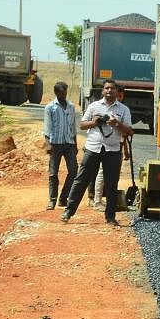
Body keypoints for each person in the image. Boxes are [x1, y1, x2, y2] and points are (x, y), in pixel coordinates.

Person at [61, 80, 133, 226]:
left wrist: (117, 124)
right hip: (93, 148)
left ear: (116, 92)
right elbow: (81, 125)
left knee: (111, 184)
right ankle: (68, 211)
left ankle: (110, 217)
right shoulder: (94, 106)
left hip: (112, 150)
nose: (109, 91)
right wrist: (95, 122)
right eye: (106, 88)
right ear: (102, 91)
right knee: (81, 180)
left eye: (112, 89)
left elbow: (130, 131)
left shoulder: (123, 110)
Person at [42, 81, 78, 211]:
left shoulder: (71, 107)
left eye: (65, 92)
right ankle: (52, 200)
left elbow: (73, 126)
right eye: (61, 93)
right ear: (56, 93)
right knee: (53, 173)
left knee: (74, 171)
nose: (64, 95)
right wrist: (48, 144)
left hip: (69, 143)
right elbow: (47, 127)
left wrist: (75, 144)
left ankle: (63, 197)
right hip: (55, 144)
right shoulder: (50, 107)